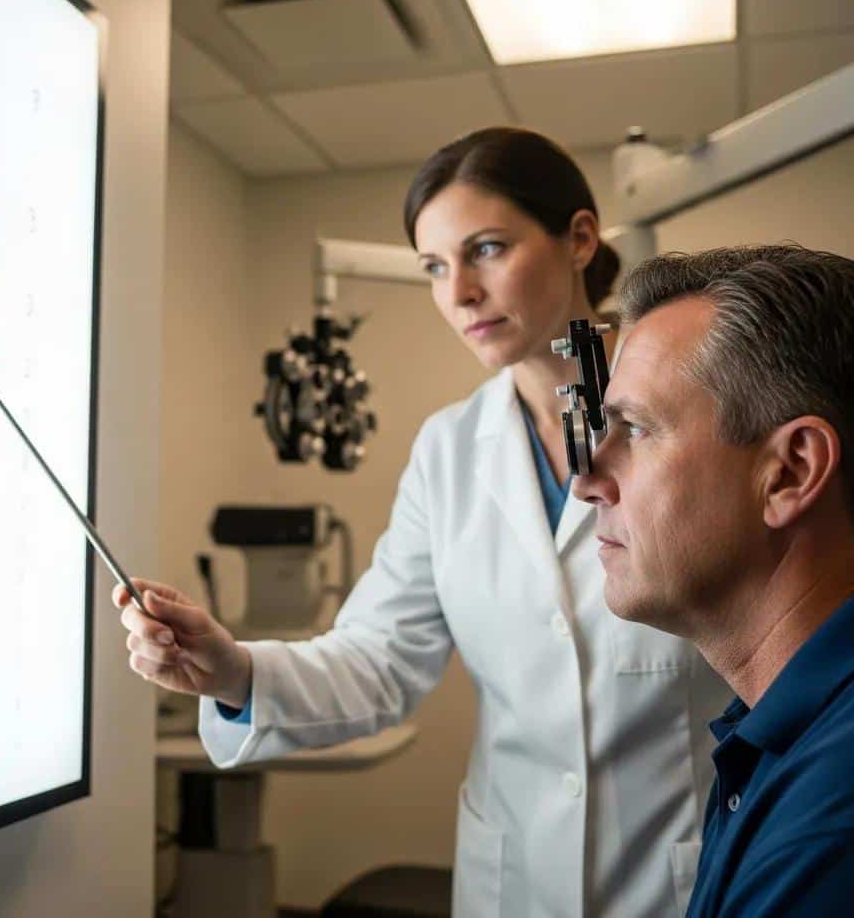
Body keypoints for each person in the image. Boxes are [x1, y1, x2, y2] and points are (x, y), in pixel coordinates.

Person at [115, 128, 730, 917]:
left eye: (486, 250)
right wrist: (234, 672)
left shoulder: (698, 413)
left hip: (682, 872)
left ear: (579, 239)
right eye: (436, 268)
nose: (460, 293)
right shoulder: (449, 451)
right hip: (514, 879)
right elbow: (382, 659)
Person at [573, 245, 854, 917]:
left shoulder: (830, 818)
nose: (586, 483)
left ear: (788, 473)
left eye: (634, 430)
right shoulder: (774, 732)